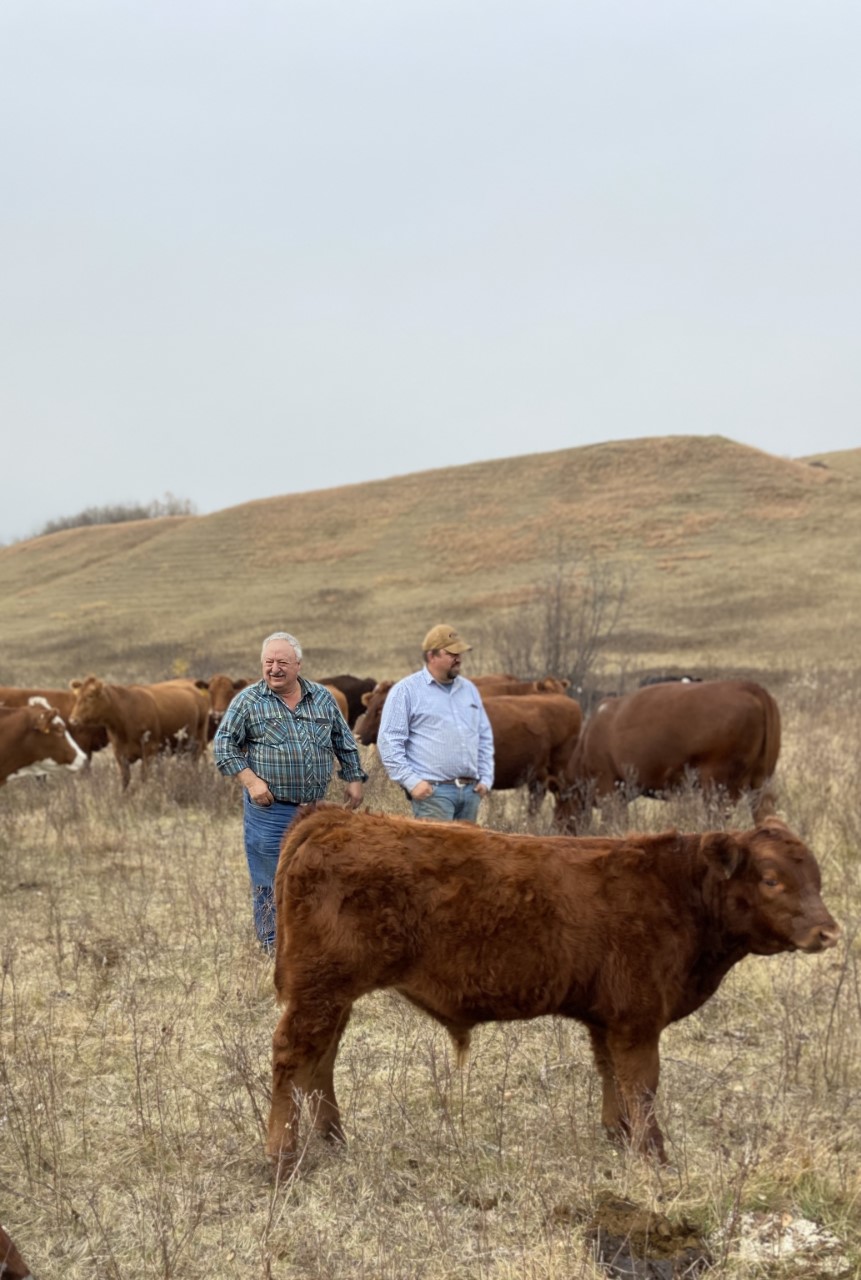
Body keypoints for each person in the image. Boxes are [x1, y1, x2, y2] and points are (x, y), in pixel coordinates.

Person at [213, 630, 366, 952]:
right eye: (268, 662)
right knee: (271, 879)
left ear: (298, 664)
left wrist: (354, 778)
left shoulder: (322, 698)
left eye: (282, 662)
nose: (274, 668)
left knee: (317, 875)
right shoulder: (248, 701)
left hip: (314, 810)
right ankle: (272, 946)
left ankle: (311, 940)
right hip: (270, 810)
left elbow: (344, 740)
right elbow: (224, 746)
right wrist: (252, 782)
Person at [377, 623, 494, 822]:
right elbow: (389, 741)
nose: (459, 658)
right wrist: (411, 782)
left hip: (470, 792)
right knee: (436, 854)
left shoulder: (469, 690)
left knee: (466, 854)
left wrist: (486, 778)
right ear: (432, 656)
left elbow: (484, 736)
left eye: (460, 653)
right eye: (452, 653)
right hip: (433, 794)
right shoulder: (406, 690)